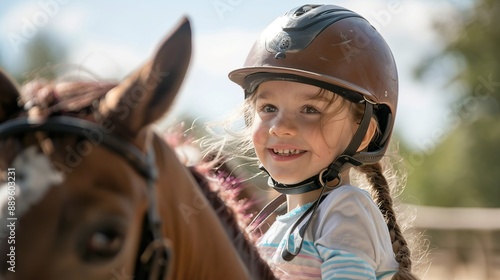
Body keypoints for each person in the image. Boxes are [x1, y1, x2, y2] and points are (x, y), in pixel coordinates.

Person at [205, 4, 420, 280]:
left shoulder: (344, 210)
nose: (281, 127)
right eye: (268, 107)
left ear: (364, 134)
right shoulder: (278, 228)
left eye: (310, 110)